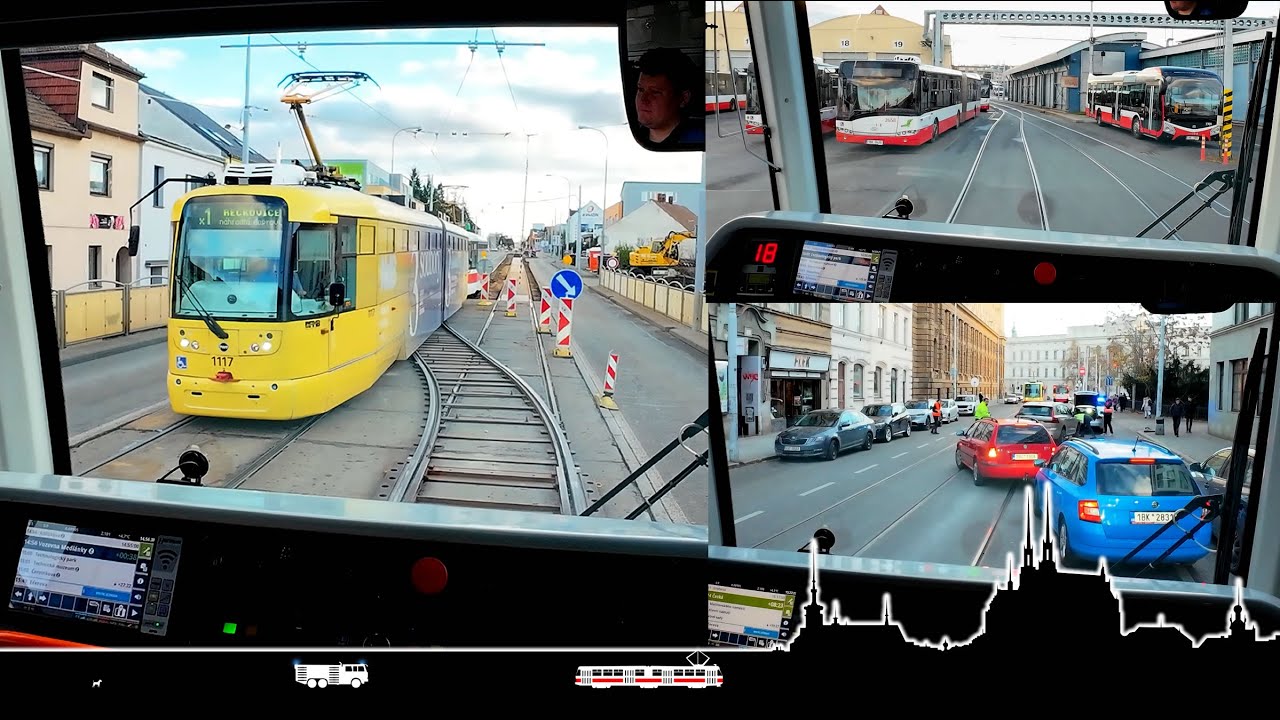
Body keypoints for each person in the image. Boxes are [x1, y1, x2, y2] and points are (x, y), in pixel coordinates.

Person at [633, 48, 703, 147]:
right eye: (640, 90)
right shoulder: (631, 137)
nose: (643, 99)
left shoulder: (697, 141)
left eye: (655, 92)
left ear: (683, 98)